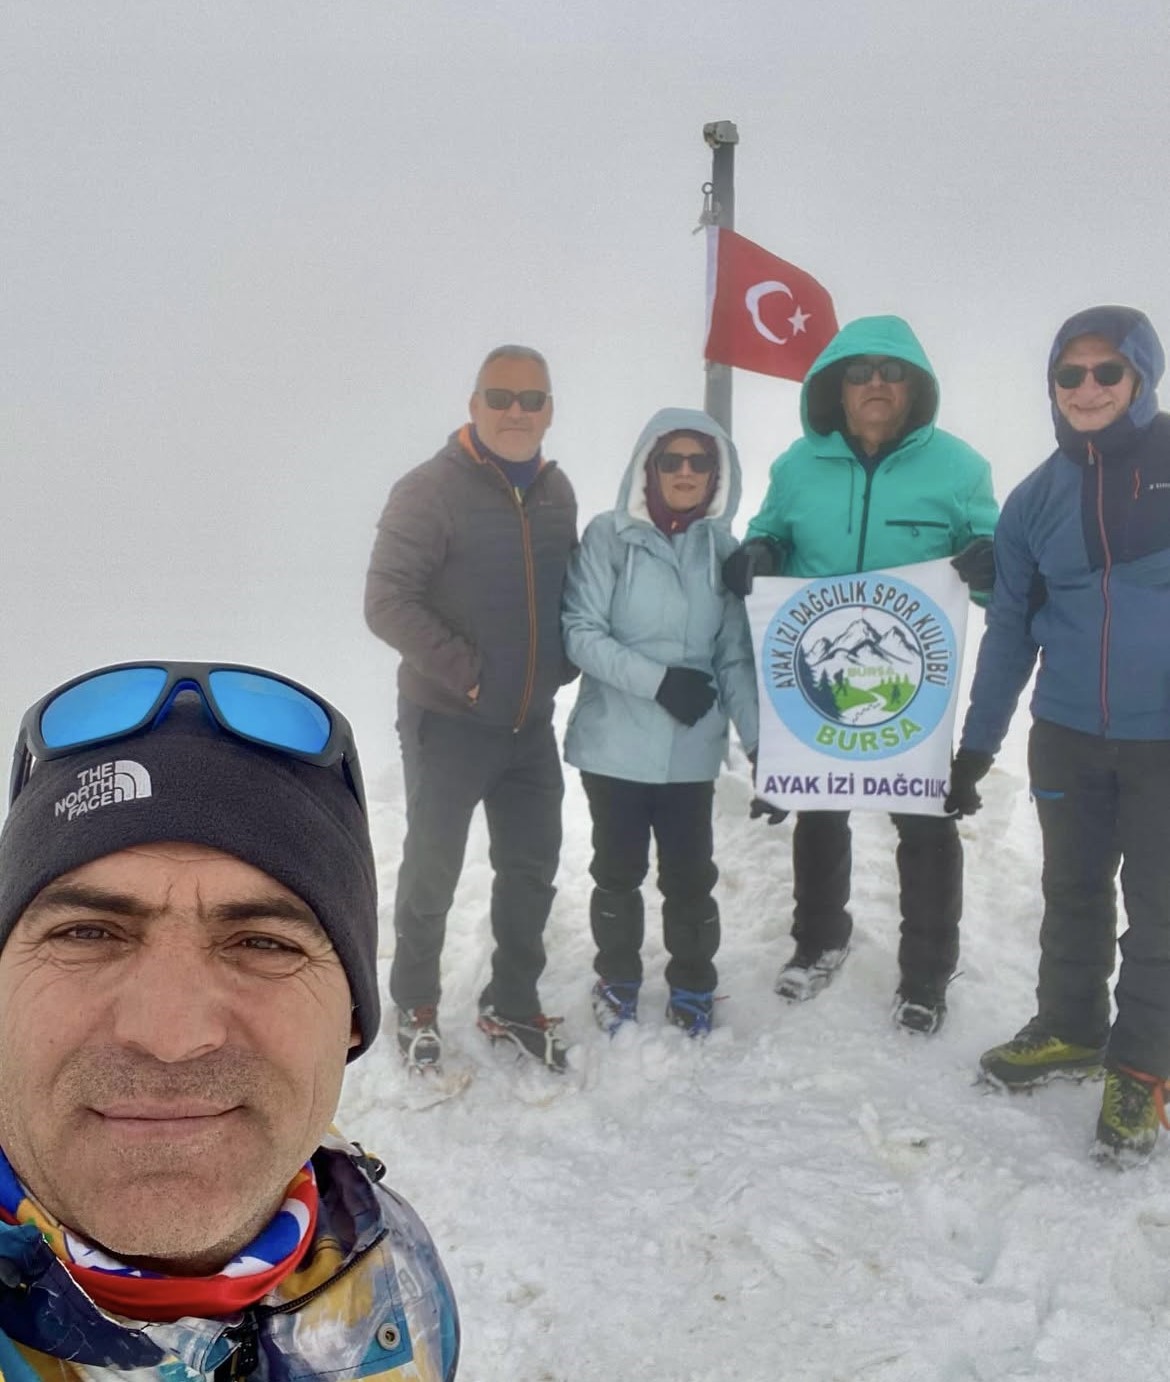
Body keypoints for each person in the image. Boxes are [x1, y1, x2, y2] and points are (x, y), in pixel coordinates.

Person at [0, 661, 459, 1379]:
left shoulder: (393, 1273)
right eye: (87, 933)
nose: (169, 1035)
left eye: (263, 943)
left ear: (351, 1020)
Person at [723, 315, 999, 1034]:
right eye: (858, 371)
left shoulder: (961, 467)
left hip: (912, 686)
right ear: (835, 388)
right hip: (819, 679)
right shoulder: (796, 465)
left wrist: (992, 560)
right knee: (819, 812)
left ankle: (928, 974)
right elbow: (773, 531)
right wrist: (757, 552)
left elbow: (993, 550)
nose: (875, 382)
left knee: (926, 823)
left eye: (891, 370)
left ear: (914, 386)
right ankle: (819, 940)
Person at [955, 305, 1170, 1166]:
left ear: (1141, 377)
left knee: (1160, 912)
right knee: (1073, 891)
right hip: (1068, 737)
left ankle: (1140, 1065)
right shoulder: (1035, 498)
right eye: (1069, 374)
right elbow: (1009, 629)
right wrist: (977, 745)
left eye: (1105, 372)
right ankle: (1072, 1027)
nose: (1086, 389)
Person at [365, 346, 578, 1074]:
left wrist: (565, 659)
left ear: (550, 409)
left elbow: (565, 591)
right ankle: (415, 1001)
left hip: (531, 727)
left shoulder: (557, 492)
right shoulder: (429, 490)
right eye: (501, 396)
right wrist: (471, 677)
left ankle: (511, 1000)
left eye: (532, 399)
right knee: (433, 869)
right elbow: (386, 602)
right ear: (474, 405)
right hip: (449, 722)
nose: (516, 411)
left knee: (531, 868)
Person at [561, 409, 758, 1037]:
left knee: (690, 876)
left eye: (699, 461)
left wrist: (762, 745)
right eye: (671, 459)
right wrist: (659, 681)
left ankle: (694, 983)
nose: (685, 472)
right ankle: (617, 977)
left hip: (690, 749)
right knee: (616, 870)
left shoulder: (724, 551)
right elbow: (580, 632)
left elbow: (731, 655)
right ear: (648, 466)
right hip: (614, 742)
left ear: (717, 474)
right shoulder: (609, 538)